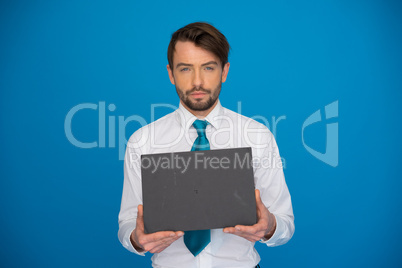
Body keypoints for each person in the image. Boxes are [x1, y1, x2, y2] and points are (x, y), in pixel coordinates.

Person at [118, 22, 294, 268]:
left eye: (208, 68)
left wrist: (270, 226)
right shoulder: (142, 141)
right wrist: (136, 239)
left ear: (224, 71)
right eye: (186, 69)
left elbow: (285, 224)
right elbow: (128, 221)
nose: (197, 81)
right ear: (171, 74)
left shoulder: (258, 136)